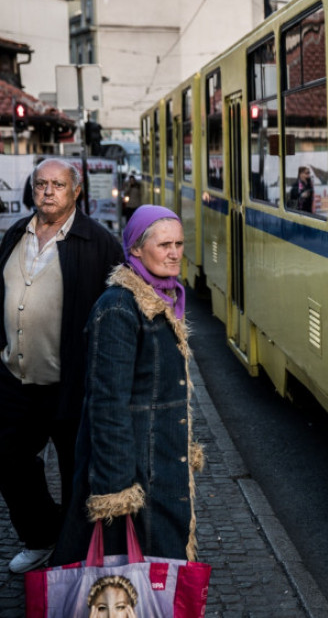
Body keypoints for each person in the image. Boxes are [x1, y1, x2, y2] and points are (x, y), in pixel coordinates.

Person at [53, 205, 202, 566]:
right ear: (135, 248)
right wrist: (117, 493)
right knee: (136, 576)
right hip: (137, 475)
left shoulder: (161, 300)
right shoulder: (119, 308)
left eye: (179, 244)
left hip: (160, 464)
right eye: (164, 244)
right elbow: (106, 405)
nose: (174, 253)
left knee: (159, 570)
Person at [0, 159, 124, 574]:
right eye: (41, 184)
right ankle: (42, 535)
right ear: (31, 190)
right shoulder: (16, 234)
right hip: (16, 380)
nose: (48, 191)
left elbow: (121, 310)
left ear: (76, 191)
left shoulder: (100, 242)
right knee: (8, 458)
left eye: (58, 184)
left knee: (79, 476)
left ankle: (78, 558)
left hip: (72, 386)